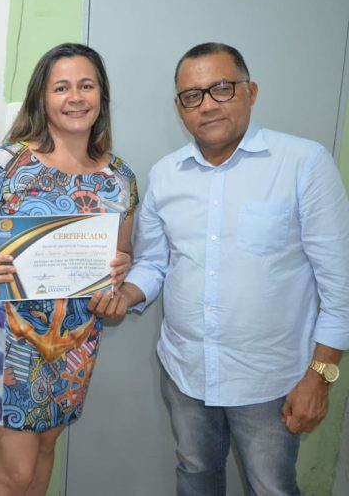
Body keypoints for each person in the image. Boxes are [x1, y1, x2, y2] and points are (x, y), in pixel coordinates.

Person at [110, 42, 349, 495]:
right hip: (186, 373)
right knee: (195, 475)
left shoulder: (303, 164)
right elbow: (154, 263)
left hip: (271, 382)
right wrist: (125, 295)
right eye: (192, 96)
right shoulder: (165, 175)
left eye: (222, 88)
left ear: (250, 92)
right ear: (180, 108)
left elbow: (341, 287)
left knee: (272, 487)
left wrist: (320, 376)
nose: (207, 105)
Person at [0, 43, 138, 496]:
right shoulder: (7, 165)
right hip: (11, 339)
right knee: (14, 472)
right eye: (61, 87)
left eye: (86, 85)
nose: (75, 97)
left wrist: (121, 272)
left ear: (102, 95)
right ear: (42, 98)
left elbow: (124, 255)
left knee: (47, 449)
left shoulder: (120, 178)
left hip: (76, 342)